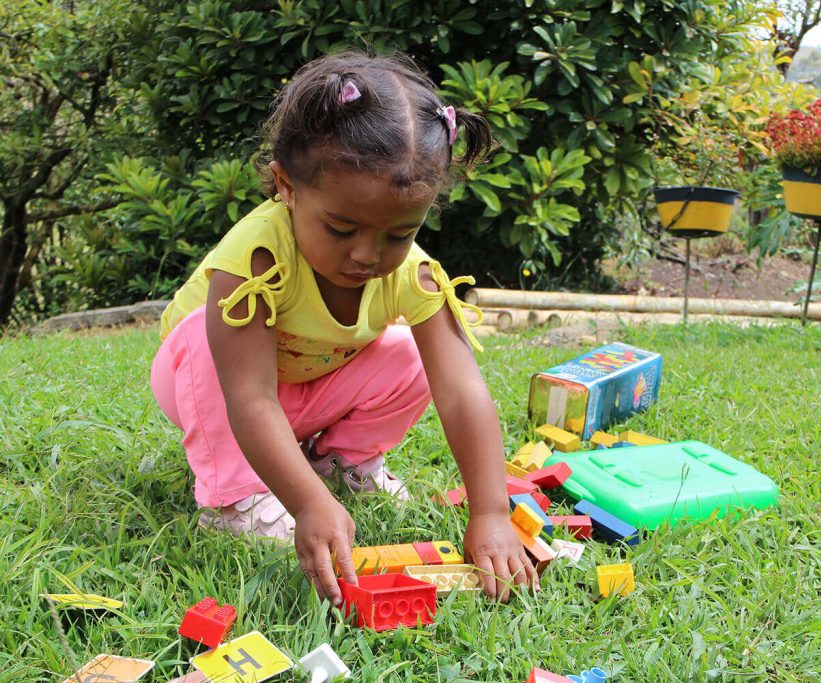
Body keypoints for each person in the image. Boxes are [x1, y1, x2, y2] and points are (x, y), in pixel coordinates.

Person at [150, 51, 536, 604]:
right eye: (339, 228)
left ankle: (339, 464)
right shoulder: (255, 258)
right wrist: (307, 505)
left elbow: (461, 388)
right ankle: (236, 496)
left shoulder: (413, 274)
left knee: (409, 353)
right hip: (214, 388)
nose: (366, 255)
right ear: (286, 186)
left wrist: (491, 512)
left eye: (399, 234)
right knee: (205, 338)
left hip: (304, 390)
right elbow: (250, 396)